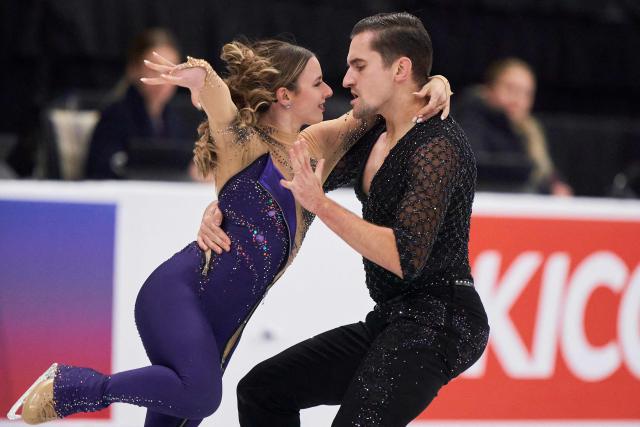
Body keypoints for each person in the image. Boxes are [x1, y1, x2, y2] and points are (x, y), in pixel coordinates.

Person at [8, 36, 451, 426]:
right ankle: (73, 387)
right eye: (317, 83)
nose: (330, 90)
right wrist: (199, 75)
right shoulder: (243, 144)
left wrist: (436, 84)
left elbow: (384, 107)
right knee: (203, 394)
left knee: (185, 413)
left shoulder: (319, 148)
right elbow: (216, 95)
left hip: (224, 328)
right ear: (284, 95)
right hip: (179, 295)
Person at [198, 12, 488, 426]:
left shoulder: (437, 147)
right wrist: (221, 209)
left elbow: (405, 257)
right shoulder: (373, 135)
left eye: (359, 66)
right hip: (392, 318)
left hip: (442, 321)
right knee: (263, 391)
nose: (347, 79)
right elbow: (279, 182)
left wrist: (321, 205)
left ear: (400, 69)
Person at [85, 28, 193, 180]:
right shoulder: (114, 117)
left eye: (171, 71)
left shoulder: (177, 121)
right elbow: (102, 170)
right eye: (153, 70)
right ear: (134, 69)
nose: (163, 80)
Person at [455, 57, 573, 195]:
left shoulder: (530, 132)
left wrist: (555, 186)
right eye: (510, 88)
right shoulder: (469, 120)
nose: (517, 99)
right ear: (489, 89)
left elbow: (547, 175)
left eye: (526, 93)